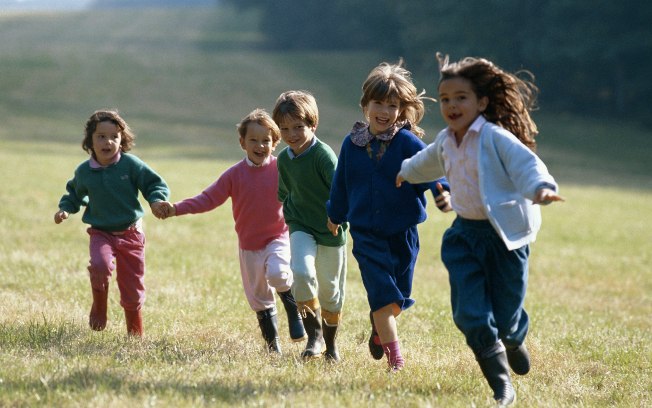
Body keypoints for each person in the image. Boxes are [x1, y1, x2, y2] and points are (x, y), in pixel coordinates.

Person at [397, 53, 564, 405]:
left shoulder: (495, 137)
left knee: (505, 316)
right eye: (445, 99)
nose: (452, 105)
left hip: (505, 238)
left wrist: (541, 188)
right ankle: (502, 386)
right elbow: (426, 161)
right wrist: (405, 171)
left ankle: (514, 337)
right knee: (469, 315)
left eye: (461, 98)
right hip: (465, 237)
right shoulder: (445, 139)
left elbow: (527, 166)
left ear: (481, 102)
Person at [326, 60, 450, 372]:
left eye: (392, 105)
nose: (384, 111)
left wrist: (441, 191)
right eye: (378, 103)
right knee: (382, 297)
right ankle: (397, 361)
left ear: (402, 108)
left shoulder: (407, 142)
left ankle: (379, 331)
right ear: (365, 105)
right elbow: (341, 183)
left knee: (398, 299)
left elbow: (431, 168)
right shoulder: (351, 144)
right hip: (366, 234)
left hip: (403, 233)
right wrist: (336, 214)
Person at [155, 108, 306, 354]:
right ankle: (273, 346)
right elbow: (207, 199)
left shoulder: (283, 168)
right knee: (259, 298)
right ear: (242, 143)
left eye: (266, 140)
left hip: (277, 237)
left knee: (279, 273)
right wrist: (175, 209)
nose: (260, 146)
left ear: (275, 142)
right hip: (249, 245)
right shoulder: (235, 175)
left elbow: (304, 193)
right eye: (253, 140)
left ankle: (293, 312)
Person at [54, 109, 170, 337]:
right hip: (101, 232)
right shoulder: (85, 171)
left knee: (132, 285)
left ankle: (134, 332)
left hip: (131, 233)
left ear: (122, 140)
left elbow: (154, 184)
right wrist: (65, 209)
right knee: (100, 265)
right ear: (90, 141)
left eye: (114, 137)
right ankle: (99, 304)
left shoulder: (131, 165)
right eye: (101, 136)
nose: (108, 142)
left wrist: (156, 200)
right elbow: (74, 194)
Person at [272, 90, 347, 362]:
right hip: (300, 224)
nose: (291, 134)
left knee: (330, 290)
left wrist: (336, 215)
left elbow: (342, 190)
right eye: (284, 129)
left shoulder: (323, 156)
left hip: (331, 229)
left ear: (313, 124)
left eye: (298, 127)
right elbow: (284, 192)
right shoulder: (283, 159)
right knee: (301, 273)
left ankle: (331, 344)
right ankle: (313, 335)